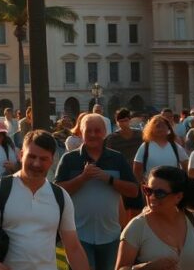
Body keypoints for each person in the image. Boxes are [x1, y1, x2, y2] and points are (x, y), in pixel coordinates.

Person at [0, 131, 89, 270]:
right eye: (31, 156)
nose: (36, 163)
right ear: (21, 155)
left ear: (52, 160)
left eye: (43, 159)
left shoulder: (60, 196)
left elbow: (73, 247)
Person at [55, 114, 139, 270]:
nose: (93, 135)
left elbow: (134, 191)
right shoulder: (69, 159)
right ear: (81, 132)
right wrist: (82, 178)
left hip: (111, 235)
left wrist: (109, 179)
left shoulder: (117, 159)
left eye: (97, 130)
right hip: (78, 236)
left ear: (105, 132)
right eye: (89, 131)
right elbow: (58, 193)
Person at [115, 165, 194, 270]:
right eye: (148, 191)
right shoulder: (137, 227)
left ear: (178, 197)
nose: (151, 197)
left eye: (159, 193)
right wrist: (146, 268)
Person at [133, 114, 188, 181]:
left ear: (168, 128)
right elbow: (137, 169)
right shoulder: (145, 146)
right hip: (152, 188)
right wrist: (143, 185)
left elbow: (186, 165)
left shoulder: (175, 146)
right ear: (151, 129)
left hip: (173, 187)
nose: (160, 129)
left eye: (163, 126)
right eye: (157, 126)